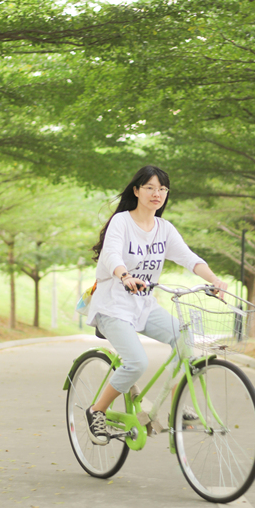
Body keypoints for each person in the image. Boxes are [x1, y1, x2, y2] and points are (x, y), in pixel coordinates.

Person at [85, 165, 227, 445]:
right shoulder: (122, 222)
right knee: (137, 362)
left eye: (162, 189)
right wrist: (124, 276)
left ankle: (177, 407)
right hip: (113, 305)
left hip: (144, 305)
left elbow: (188, 257)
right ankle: (97, 411)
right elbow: (111, 254)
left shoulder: (164, 229)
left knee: (184, 337)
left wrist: (214, 280)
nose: (156, 193)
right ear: (136, 191)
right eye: (149, 187)